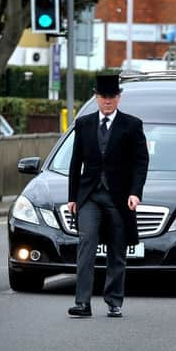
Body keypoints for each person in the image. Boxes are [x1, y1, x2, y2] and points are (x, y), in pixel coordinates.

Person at [67, 74, 149, 318]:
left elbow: (141, 161)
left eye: (112, 96)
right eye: (103, 97)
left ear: (119, 98)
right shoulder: (83, 124)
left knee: (117, 249)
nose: (107, 101)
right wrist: (72, 197)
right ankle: (82, 303)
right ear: (96, 97)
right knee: (86, 244)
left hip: (119, 197)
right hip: (89, 195)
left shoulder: (132, 125)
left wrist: (135, 192)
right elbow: (75, 162)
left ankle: (114, 300)